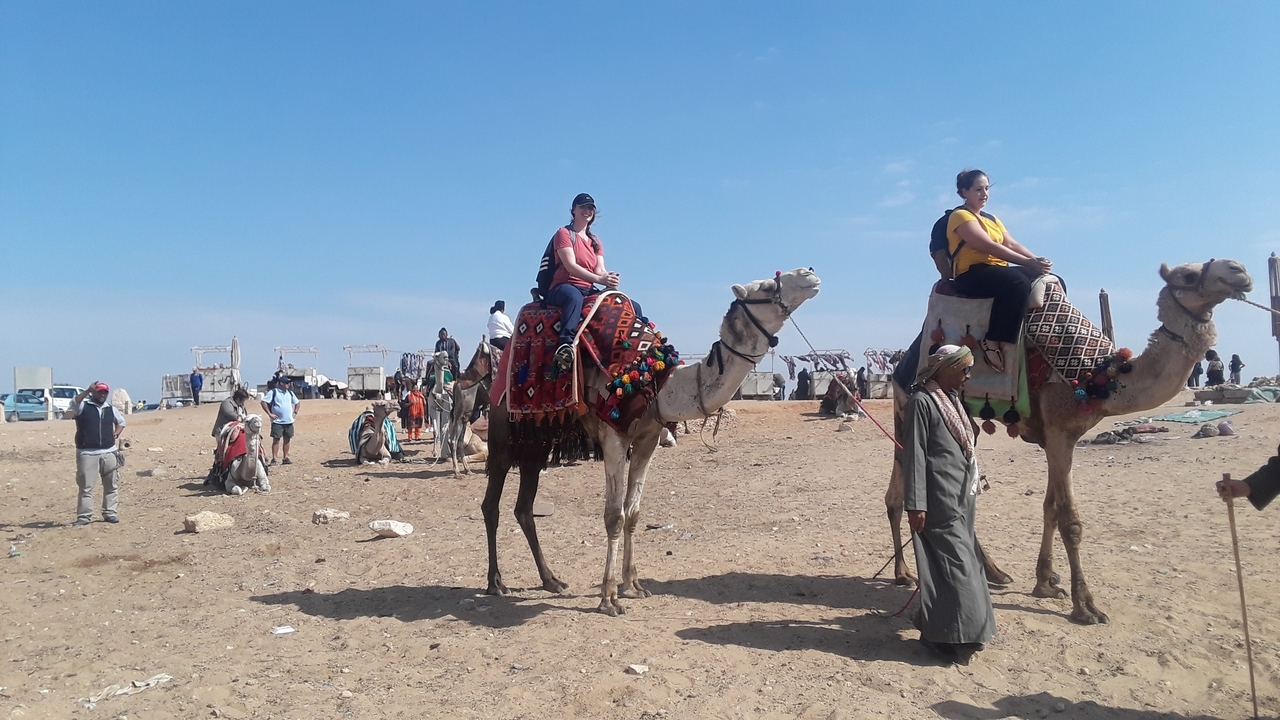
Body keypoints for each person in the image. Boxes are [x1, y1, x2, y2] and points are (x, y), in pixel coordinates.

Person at [902, 345, 995, 664]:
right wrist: (915, 504)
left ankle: (940, 630)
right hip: (937, 497)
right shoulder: (921, 403)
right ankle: (964, 638)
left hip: (961, 495)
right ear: (943, 369)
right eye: (964, 369)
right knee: (957, 564)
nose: (969, 375)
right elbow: (913, 455)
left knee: (959, 560)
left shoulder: (954, 400)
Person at [947, 169, 1053, 373]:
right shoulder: (959, 216)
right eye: (978, 189)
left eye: (987, 188)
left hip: (997, 272)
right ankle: (993, 340)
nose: (984, 194)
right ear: (964, 192)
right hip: (972, 275)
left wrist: (1037, 262)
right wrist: (1027, 263)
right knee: (1018, 282)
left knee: (1051, 280)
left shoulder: (992, 219)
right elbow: (987, 245)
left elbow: (1011, 244)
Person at [545, 193, 642, 370]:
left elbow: (599, 269)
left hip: (588, 288)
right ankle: (566, 345)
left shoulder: (595, 241)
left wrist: (608, 279)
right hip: (563, 287)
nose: (587, 211)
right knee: (573, 297)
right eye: (583, 207)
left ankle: (639, 342)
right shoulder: (564, 233)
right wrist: (599, 279)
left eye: (590, 208)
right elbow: (571, 266)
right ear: (573, 210)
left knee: (630, 304)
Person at [68, 381, 127, 526]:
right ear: (94, 392)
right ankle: (84, 516)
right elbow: (74, 403)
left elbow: (121, 422)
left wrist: (116, 434)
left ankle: (110, 513)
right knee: (86, 487)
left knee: (111, 486)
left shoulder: (110, 409)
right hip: (87, 453)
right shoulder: (83, 406)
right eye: (99, 391)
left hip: (109, 452)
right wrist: (88, 390)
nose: (102, 394)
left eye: (105, 392)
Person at [260, 375, 300, 465]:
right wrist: (270, 414)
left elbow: (297, 402)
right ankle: (274, 458)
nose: (289, 384)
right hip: (277, 421)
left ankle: (285, 457)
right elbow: (263, 402)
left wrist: (295, 412)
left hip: (288, 421)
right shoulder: (274, 392)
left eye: (289, 383)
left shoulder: (290, 393)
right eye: (287, 383)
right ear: (281, 383)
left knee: (287, 439)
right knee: (276, 439)